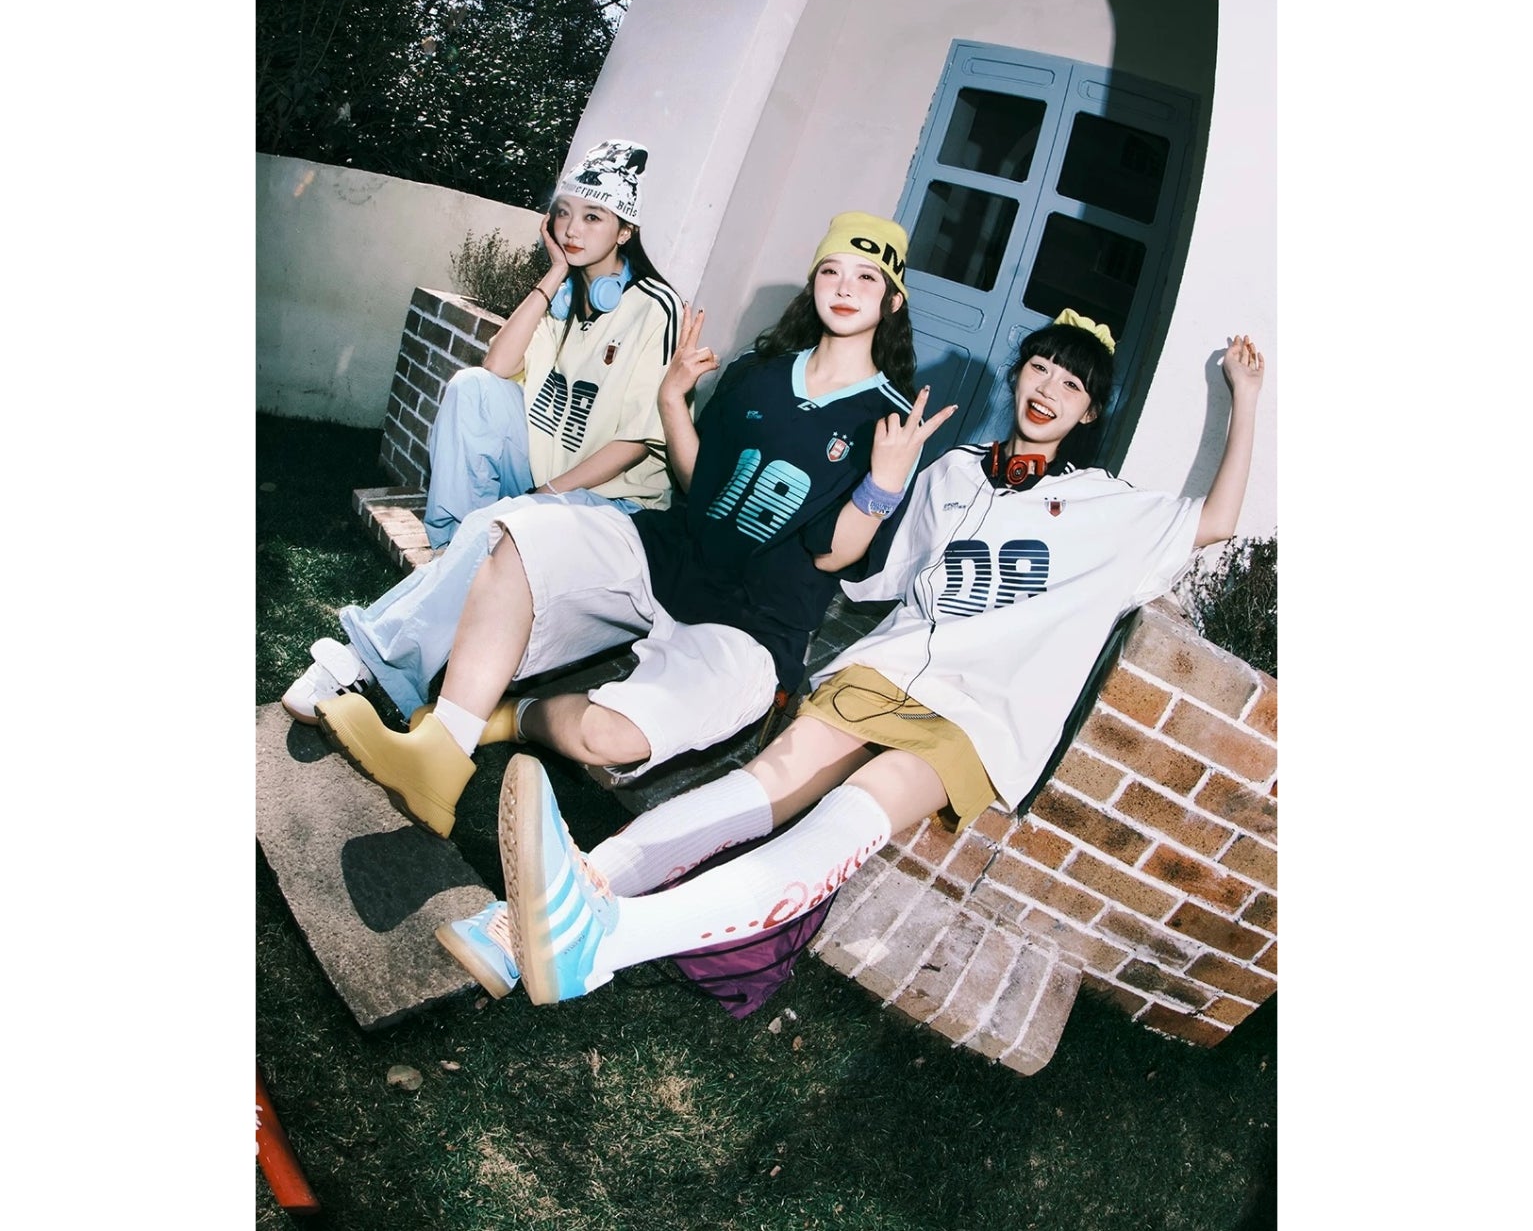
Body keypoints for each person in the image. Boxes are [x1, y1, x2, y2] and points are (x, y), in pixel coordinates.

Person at [433, 312, 1266, 1006]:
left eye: (1071, 384)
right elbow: (867, 571)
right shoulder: (952, 473)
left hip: (975, 714)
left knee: (841, 824)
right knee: (753, 790)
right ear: (1018, 376)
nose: (1047, 388)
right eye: (1039, 368)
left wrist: (1245, 398)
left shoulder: (1100, 507)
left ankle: (604, 940)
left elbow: (1216, 521)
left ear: (1088, 413)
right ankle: (524, 923)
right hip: (884, 670)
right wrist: (874, 483)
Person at [313, 212, 953, 840]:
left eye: (866, 278)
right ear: (813, 282)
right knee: (519, 531)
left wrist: (883, 486)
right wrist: (673, 398)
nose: (844, 288)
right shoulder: (757, 373)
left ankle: (513, 715)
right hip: (669, 556)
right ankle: (438, 756)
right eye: (832, 271)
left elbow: (833, 556)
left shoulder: (891, 420)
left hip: (755, 621)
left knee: (607, 738)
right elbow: (699, 484)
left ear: (893, 300)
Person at [280, 138, 682, 728]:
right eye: (564, 212)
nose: (572, 228)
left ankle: (371, 657)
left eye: (594, 217)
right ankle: (453, 561)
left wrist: (543, 497)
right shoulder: (565, 294)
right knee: (472, 387)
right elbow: (497, 365)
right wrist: (554, 275)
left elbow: (636, 441)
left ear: (625, 231)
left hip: (609, 501)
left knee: (498, 523)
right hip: (545, 473)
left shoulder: (657, 307)